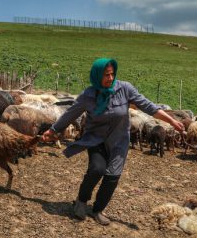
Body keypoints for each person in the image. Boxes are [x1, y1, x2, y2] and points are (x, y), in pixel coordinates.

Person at [42, 58, 184, 225]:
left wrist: (172, 121)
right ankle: (81, 201)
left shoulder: (125, 89)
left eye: (112, 74)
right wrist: (52, 130)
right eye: (105, 75)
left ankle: (98, 210)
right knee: (97, 169)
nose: (110, 78)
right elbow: (70, 114)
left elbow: (149, 106)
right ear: (96, 76)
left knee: (112, 177)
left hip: (119, 141)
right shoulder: (88, 95)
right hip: (96, 139)